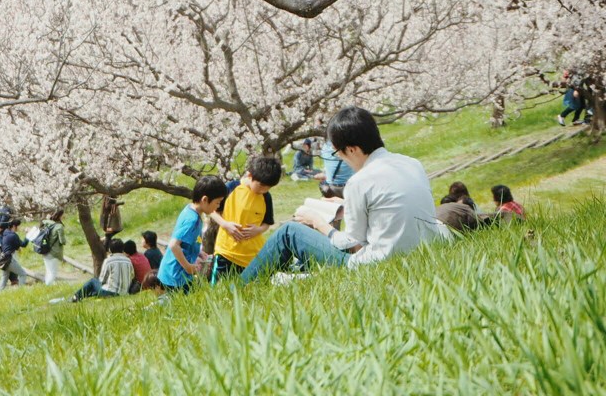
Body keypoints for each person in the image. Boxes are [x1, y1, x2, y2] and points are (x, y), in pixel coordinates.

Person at [242, 106, 449, 283]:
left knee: (289, 232)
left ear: (351, 150)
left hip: (376, 264)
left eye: (337, 153)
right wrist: (344, 206)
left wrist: (318, 222)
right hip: (421, 253)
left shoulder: (360, 181)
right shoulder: (412, 164)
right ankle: (288, 277)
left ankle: (236, 290)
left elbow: (349, 242)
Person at [210, 155, 282, 283]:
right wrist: (225, 224)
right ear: (249, 176)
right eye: (261, 186)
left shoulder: (266, 197)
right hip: (226, 251)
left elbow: (267, 223)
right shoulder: (231, 187)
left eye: (268, 188)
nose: (263, 190)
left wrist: (258, 230)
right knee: (218, 290)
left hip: (252, 255)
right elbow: (211, 211)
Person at [158, 176, 229, 294]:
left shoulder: (190, 210)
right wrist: (188, 267)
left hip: (177, 272)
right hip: (177, 275)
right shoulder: (192, 220)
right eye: (217, 203)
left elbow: (186, 241)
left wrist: (198, 252)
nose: (218, 207)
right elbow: (173, 245)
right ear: (205, 199)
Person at [0, 219, 29, 290]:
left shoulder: (5, 232)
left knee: (4, 276)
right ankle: (21, 292)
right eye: (19, 226)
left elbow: (14, 246)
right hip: (8, 260)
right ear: (14, 226)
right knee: (23, 274)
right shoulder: (13, 235)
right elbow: (23, 244)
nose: (19, 228)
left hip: (2, 259)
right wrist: (28, 235)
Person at [38, 209, 66, 285]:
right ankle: (47, 287)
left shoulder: (46, 223)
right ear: (60, 216)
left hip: (44, 250)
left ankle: (48, 287)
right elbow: (62, 241)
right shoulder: (59, 226)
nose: (64, 216)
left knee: (48, 271)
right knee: (53, 273)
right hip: (54, 252)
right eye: (63, 214)